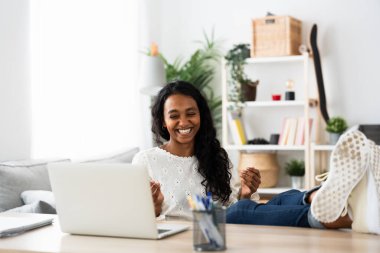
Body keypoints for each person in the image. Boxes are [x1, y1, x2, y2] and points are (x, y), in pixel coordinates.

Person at [132, 80, 380, 234]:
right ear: (163, 122)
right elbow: (138, 219)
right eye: (174, 115)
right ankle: (339, 216)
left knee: (285, 198)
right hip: (198, 232)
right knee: (240, 212)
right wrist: (151, 209)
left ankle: (325, 194)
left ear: (201, 116)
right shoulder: (147, 161)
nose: (184, 122)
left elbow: (234, 202)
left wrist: (246, 192)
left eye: (191, 113)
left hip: (228, 221)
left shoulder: (215, 155)